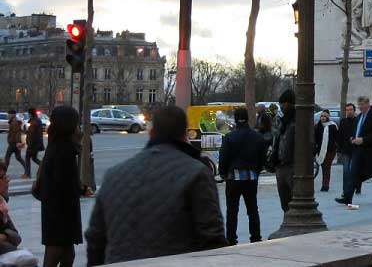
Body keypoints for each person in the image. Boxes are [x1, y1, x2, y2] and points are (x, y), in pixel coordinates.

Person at [86, 105, 226, 265]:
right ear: (185, 135)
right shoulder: (197, 174)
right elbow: (212, 241)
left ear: (151, 134)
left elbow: (95, 239)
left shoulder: (113, 175)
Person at [36, 106, 82, 267]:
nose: (78, 127)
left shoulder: (56, 144)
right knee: (57, 252)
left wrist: (80, 188)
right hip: (61, 211)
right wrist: (78, 189)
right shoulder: (65, 149)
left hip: (56, 209)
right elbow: (63, 181)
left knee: (66, 252)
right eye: (76, 123)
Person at [217, 106, 267, 245]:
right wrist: (256, 170)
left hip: (233, 177)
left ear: (235, 119)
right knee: (252, 209)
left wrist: (223, 173)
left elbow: (223, 157)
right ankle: (255, 237)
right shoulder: (257, 137)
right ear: (247, 118)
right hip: (251, 177)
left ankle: (231, 239)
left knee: (232, 210)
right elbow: (262, 158)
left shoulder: (229, 137)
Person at [336, 96, 372, 210]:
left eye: (362, 104)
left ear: (368, 104)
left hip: (371, 150)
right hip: (359, 150)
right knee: (353, 173)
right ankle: (347, 197)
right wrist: (354, 137)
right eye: (359, 104)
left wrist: (363, 140)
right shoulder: (360, 117)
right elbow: (357, 130)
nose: (360, 106)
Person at [269, 89, 296, 212]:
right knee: (284, 202)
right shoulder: (281, 121)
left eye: (283, 104)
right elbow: (276, 140)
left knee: (295, 200)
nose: (281, 107)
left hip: (292, 165)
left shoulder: (297, 121)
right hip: (280, 164)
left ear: (289, 104)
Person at [0, 162, 22, 258]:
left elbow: (16, 237)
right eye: (2, 177)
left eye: (5, 175)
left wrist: (4, 236)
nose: (7, 180)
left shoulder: (2, 205)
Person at [336, 103, 358, 198]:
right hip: (346, 150)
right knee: (346, 171)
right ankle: (345, 191)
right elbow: (339, 136)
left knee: (355, 171)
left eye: (350, 110)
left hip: (356, 150)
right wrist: (339, 149)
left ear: (354, 111)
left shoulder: (358, 122)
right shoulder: (343, 122)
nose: (349, 111)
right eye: (347, 110)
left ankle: (356, 186)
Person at [314, 110, 338, 193]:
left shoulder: (332, 126)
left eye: (325, 116)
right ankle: (324, 184)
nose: (323, 118)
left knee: (327, 167)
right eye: (322, 116)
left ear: (328, 117)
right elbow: (315, 139)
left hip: (330, 150)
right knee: (323, 166)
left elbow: (336, 137)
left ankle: (325, 185)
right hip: (321, 150)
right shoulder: (317, 126)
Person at [4, 110, 26, 177]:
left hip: (13, 143)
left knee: (7, 158)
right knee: (18, 157)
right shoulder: (14, 122)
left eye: (9, 114)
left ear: (13, 115)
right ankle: (27, 170)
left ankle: (3, 173)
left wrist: (17, 142)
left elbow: (17, 133)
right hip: (15, 143)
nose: (8, 116)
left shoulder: (14, 122)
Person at [24, 110, 43, 178]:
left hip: (33, 144)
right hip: (36, 143)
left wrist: (29, 143)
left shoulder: (34, 122)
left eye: (28, 114)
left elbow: (32, 134)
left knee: (27, 158)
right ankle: (43, 166)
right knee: (34, 158)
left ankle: (27, 174)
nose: (28, 115)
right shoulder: (36, 120)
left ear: (31, 114)